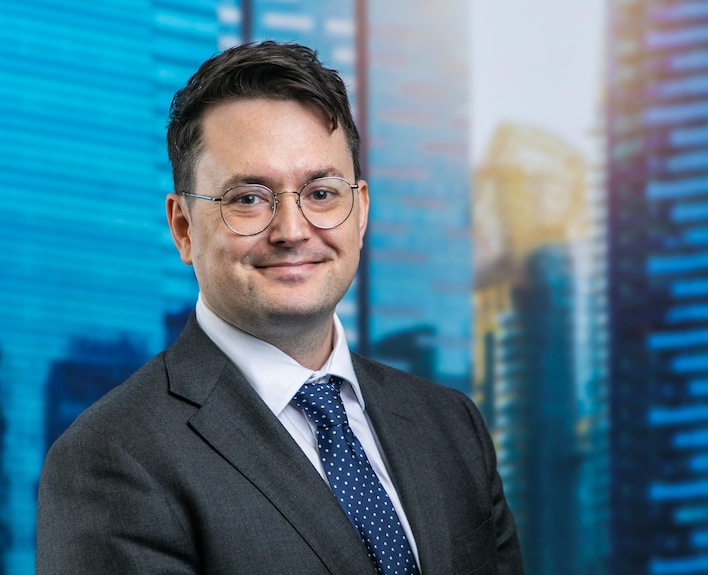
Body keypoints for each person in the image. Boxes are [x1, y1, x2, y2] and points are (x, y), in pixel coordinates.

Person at [36, 41, 523, 575]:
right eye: (247, 198)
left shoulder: (450, 424)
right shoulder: (112, 458)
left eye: (320, 193)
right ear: (182, 228)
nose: (292, 231)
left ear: (360, 211)